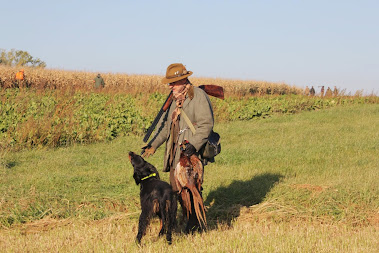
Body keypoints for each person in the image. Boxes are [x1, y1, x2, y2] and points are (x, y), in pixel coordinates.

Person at [142, 63, 214, 231]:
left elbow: (206, 125)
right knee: (176, 188)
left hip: (191, 153)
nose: (170, 86)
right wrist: (152, 145)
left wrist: (193, 145)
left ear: (183, 80)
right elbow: (167, 128)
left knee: (191, 188)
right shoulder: (175, 100)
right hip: (176, 153)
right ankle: (189, 220)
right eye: (169, 83)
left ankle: (195, 224)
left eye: (173, 82)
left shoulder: (199, 96)